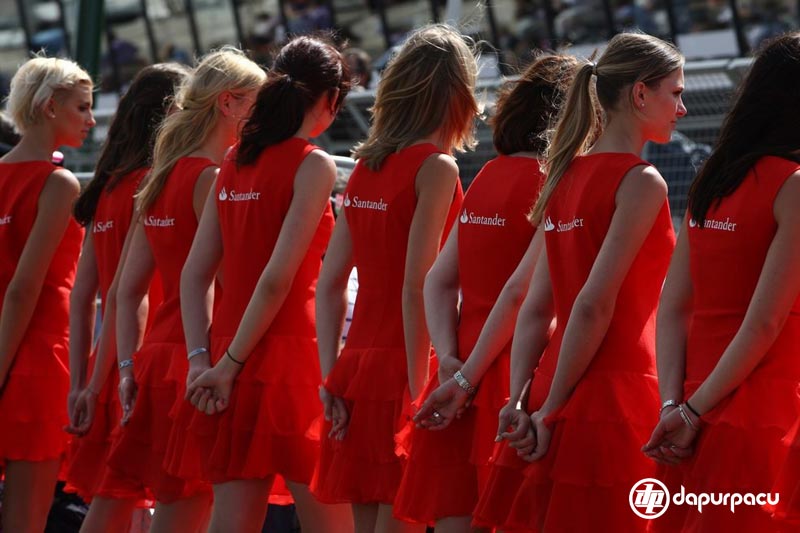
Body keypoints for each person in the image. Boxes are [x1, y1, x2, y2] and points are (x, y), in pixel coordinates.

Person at [481, 32, 685, 531]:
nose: (681, 107)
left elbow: (535, 308)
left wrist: (519, 401)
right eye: (674, 93)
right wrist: (546, 412)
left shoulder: (565, 176)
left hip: (552, 383)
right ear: (640, 94)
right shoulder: (641, 181)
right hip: (617, 392)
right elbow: (594, 305)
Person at [172, 35, 354, 533]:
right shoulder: (313, 163)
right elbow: (278, 280)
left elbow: (194, 274)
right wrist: (223, 367)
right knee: (333, 522)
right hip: (292, 358)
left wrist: (202, 361)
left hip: (229, 351)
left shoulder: (234, 160)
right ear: (331, 99)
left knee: (231, 522)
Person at [79, 48, 265, 533]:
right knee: (186, 510)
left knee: (137, 503)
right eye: (258, 104)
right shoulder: (211, 178)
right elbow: (226, 282)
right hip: (199, 358)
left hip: (156, 359)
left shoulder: (161, 177)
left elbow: (121, 292)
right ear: (229, 103)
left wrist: (125, 367)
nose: (265, 118)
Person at [393, 55, 578, 532]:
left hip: (459, 368)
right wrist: (469, 379)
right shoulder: (554, 183)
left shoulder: (486, 176)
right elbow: (520, 296)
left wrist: (451, 360)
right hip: (510, 379)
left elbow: (437, 279)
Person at [310, 24, 478, 532]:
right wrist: (418, 383)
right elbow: (417, 286)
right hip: (409, 363)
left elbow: (331, 281)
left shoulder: (366, 167)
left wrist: (330, 375)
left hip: (359, 366)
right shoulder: (437, 168)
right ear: (456, 94)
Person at [643, 32, 800, 531]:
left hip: (691, 406)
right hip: (763, 413)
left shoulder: (714, 175)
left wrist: (677, 406)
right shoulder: (793, 186)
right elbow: (763, 324)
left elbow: (673, 305)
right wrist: (689, 413)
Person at [64, 63, 189, 503]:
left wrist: (81, 383)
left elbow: (85, 296)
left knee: (115, 505)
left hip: (110, 364)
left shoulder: (107, 185)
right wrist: (100, 386)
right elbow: (122, 296)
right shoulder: (156, 184)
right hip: (142, 366)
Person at [0, 56, 94, 533]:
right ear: (49, 107)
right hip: (36, 360)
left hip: (15, 351)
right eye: (82, 107)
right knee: (25, 521)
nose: (91, 120)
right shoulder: (58, 184)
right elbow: (24, 289)